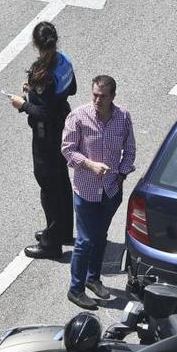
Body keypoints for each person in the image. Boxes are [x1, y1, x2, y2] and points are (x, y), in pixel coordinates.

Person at [61, 75, 136, 310]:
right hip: (86, 190)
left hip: (111, 190)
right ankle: (76, 289)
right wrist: (90, 165)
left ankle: (93, 278)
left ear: (113, 96)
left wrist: (121, 174)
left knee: (100, 236)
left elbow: (130, 150)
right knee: (84, 241)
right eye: (94, 94)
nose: (97, 100)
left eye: (103, 96)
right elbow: (67, 150)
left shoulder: (122, 117)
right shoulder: (79, 117)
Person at [9, 21, 77, 259]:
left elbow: (44, 113)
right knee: (61, 181)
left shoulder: (42, 72)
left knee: (48, 186)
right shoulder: (64, 61)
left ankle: (52, 243)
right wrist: (35, 90)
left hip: (46, 135)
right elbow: (73, 89)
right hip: (64, 126)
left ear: (35, 43)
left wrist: (23, 104)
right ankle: (64, 231)